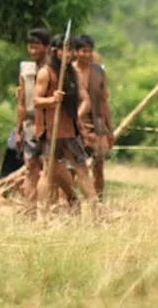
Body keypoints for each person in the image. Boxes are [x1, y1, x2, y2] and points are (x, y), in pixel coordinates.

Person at [34, 35, 96, 211]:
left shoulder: (72, 73)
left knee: (82, 170)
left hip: (70, 131)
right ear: (56, 51)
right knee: (47, 172)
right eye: (65, 50)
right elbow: (36, 101)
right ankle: (42, 214)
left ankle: (95, 210)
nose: (69, 54)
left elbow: (85, 100)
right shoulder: (46, 72)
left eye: (71, 50)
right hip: (50, 131)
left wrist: (76, 115)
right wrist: (52, 100)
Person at [71, 34, 113, 200]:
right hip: (74, 123)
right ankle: (69, 202)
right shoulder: (68, 71)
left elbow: (103, 102)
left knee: (99, 165)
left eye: (90, 51)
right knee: (73, 166)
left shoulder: (98, 72)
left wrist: (110, 130)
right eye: (83, 51)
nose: (87, 55)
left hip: (97, 123)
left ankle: (99, 202)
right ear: (76, 52)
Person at [15, 28, 50, 207]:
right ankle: (30, 207)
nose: (33, 51)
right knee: (30, 167)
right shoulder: (25, 70)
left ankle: (47, 205)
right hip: (30, 124)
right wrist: (18, 129)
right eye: (31, 47)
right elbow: (21, 102)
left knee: (51, 168)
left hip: (49, 123)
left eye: (37, 47)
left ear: (46, 47)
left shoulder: (53, 70)